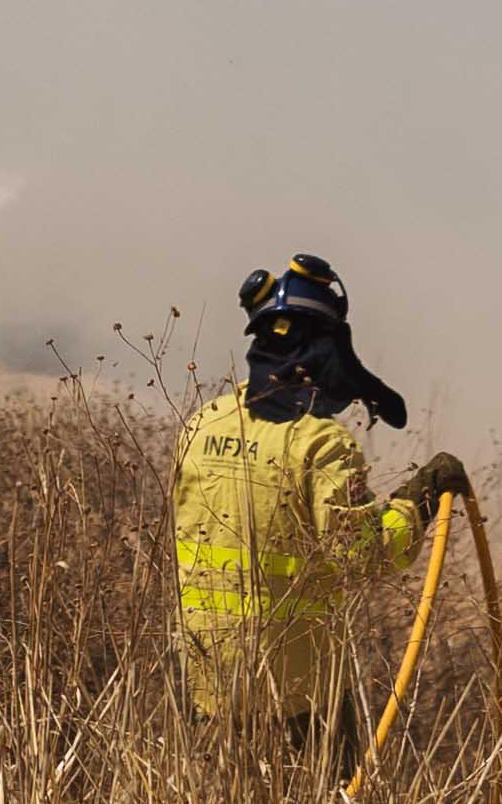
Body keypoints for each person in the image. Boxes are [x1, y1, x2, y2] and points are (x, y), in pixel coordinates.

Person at [168, 255, 415, 755]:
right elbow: (362, 557)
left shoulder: (202, 425)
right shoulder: (322, 444)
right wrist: (416, 505)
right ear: (323, 350)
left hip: (208, 683)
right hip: (303, 698)